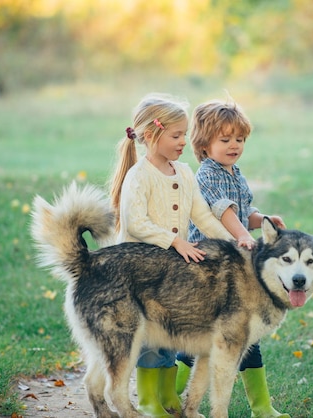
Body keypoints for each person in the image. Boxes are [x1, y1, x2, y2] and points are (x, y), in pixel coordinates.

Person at [108, 93, 234, 418]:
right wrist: (175, 241)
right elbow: (136, 223)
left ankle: (168, 399)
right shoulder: (139, 175)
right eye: (177, 135)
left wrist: (233, 242)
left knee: (169, 334)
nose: (183, 142)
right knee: (148, 338)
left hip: (170, 278)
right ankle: (149, 400)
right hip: (138, 276)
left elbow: (203, 216)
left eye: (185, 135)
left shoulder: (184, 173)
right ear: (151, 135)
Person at [175, 98, 289, 418]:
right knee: (199, 335)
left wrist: (262, 220)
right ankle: (172, 392)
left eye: (239, 139)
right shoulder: (207, 174)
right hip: (207, 267)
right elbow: (222, 210)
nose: (233, 145)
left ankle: (262, 406)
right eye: (224, 140)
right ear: (204, 144)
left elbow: (243, 209)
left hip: (235, 269)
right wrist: (241, 235)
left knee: (246, 333)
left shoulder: (235, 172)